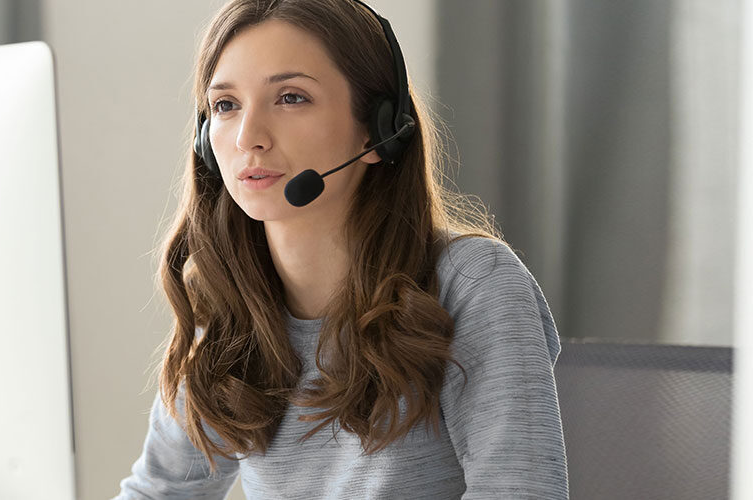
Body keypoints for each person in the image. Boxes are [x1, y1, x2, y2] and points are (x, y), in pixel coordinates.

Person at [114, 0, 569, 498]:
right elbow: (159, 492)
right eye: (225, 105)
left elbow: (519, 490)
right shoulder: (228, 302)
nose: (248, 137)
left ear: (380, 129)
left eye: (290, 97)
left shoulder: (473, 285)